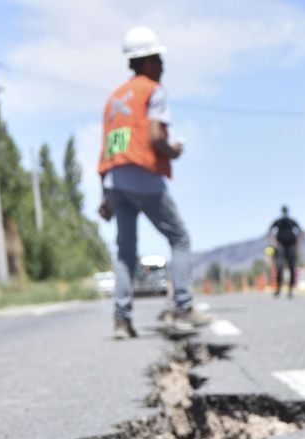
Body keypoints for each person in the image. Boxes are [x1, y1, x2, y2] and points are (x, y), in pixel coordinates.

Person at [97, 26, 213, 339]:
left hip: (115, 180)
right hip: (143, 176)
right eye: (159, 60)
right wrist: (172, 151)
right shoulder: (153, 90)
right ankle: (183, 306)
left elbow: (111, 146)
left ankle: (122, 320)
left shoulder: (115, 98)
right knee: (180, 238)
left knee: (125, 252)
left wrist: (105, 194)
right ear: (146, 61)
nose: (162, 66)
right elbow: (154, 136)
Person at [268, 205, 302, 298]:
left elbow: (300, 231)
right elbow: (269, 231)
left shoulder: (292, 221)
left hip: (291, 247)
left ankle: (290, 290)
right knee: (279, 268)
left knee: (292, 268)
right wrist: (274, 243)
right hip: (281, 247)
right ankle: (278, 289)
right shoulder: (278, 222)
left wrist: (296, 243)